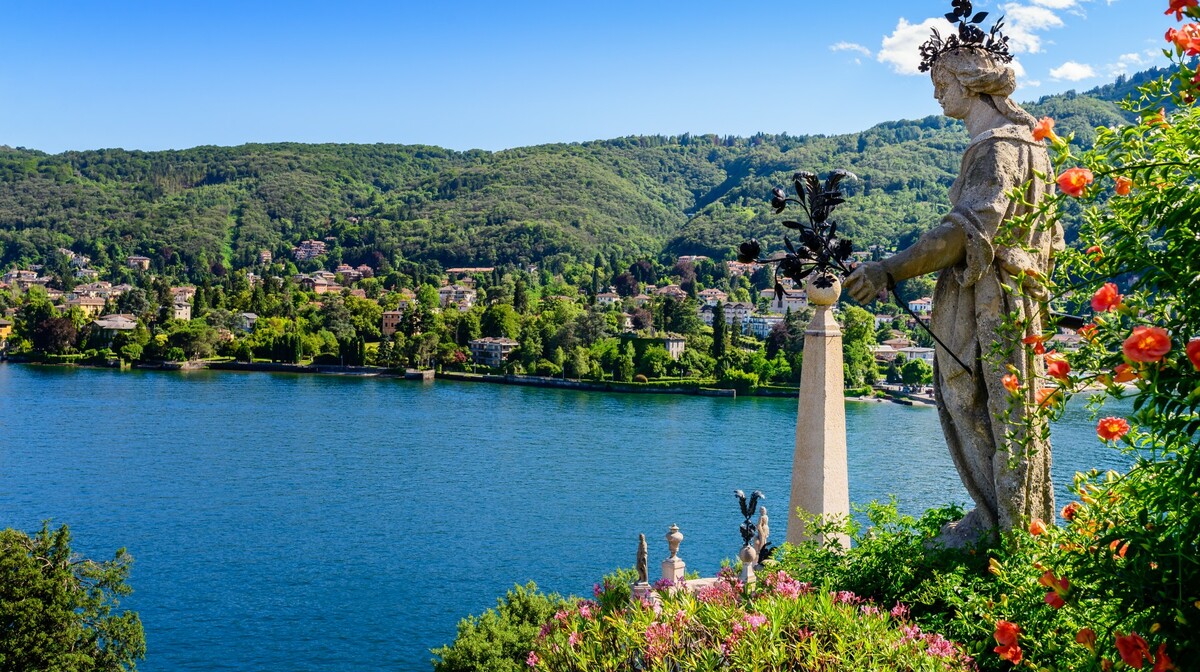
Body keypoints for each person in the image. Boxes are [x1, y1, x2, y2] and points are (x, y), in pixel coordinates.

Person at [845, 46, 1063, 546]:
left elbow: (964, 234)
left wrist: (887, 270)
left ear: (969, 84)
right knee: (1010, 407)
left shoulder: (993, 149)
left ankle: (997, 524)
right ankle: (1015, 520)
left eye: (942, 84)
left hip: (988, 297)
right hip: (1020, 300)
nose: (937, 95)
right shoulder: (1035, 149)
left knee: (972, 398)